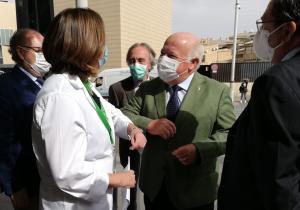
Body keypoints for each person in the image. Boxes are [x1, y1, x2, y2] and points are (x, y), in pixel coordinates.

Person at [31, 8, 146, 210]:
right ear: (84, 46)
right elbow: (67, 174)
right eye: (100, 41)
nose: (103, 50)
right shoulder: (61, 98)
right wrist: (117, 179)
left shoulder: (81, 85)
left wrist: (131, 129)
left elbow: (108, 112)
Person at [122, 32, 235, 210]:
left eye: (171, 56)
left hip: (195, 191)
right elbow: (125, 114)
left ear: (193, 63)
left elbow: (230, 134)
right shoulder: (148, 88)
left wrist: (199, 150)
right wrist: (149, 124)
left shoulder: (217, 92)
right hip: (155, 187)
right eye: (162, 53)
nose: (163, 60)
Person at [218, 1, 300, 209]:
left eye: (265, 26)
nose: (260, 35)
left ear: (287, 31)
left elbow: (279, 181)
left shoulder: (276, 82)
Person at [0, 28, 50, 210]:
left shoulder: (46, 83)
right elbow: (5, 144)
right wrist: (14, 187)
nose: (45, 56)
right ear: (21, 52)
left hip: (48, 178)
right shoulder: (6, 88)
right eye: (39, 51)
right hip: (27, 183)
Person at [108, 42, 156, 210]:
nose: (136, 65)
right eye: (132, 60)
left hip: (153, 151)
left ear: (150, 64)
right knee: (128, 196)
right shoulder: (118, 88)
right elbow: (115, 120)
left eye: (141, 60)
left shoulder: (160, 87)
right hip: (127, 150)